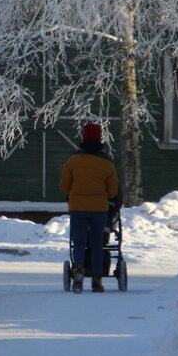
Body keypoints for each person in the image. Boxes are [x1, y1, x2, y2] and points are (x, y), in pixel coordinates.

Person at [59, 123, 119, 293]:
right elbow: (113, 191)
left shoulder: (72, 162)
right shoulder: (107, 165)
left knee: (78, 242)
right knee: (97, 244)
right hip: (99, 208)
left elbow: (64, 186)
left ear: (83, 140)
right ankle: (97, 279)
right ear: (100, 140)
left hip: (78, 207)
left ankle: (78, 270)